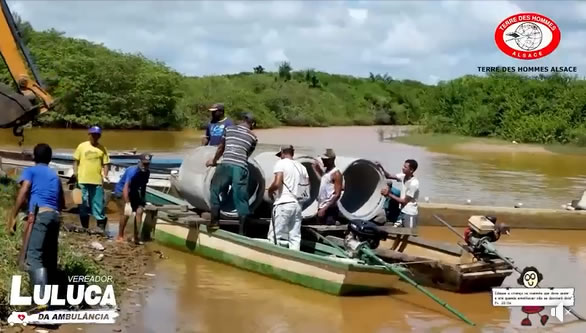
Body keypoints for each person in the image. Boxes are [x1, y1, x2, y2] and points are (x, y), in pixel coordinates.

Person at [7, 143, 65, 296]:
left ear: (34, 157)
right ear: (50, 158)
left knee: (34, 257)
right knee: (49, 258)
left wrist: (13, 216)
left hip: (40, 216)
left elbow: (24, 191)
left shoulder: (31, 171)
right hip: (55, 217)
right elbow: (62, 203)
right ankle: (54, 297)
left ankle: (41, 302)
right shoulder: (55, 175)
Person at [206, 112, 258, 234]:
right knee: (240, 196)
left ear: (242, 120)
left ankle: (214, 222)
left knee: (214, 189)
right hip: (240, 168)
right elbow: (247, 155)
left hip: (226, 165)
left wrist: (213, 161)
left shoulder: (229, 129)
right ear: (252, 124)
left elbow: (221, 147)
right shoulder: (253, 138)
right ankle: (242, 232)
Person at [267, 145, 309, 250]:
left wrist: (270, 191)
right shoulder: (302, 167)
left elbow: (277, 183)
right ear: (292, 153)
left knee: (274, 235)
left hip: (284, 203)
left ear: (282, 153)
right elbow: (307, 187)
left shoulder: (281, 163)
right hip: (297, 206)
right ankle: (295, 259)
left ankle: (272, 258)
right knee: (295, 237)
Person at [73, 125, 111, 231]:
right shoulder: (82, 146)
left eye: (97, 135)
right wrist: (75, 173)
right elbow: (75, 161)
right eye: (93, 134)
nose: (95, 137)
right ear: (89, 135)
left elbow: (106, 164)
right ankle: (84, 227)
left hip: (96, 181)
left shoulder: (102, 149)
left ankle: (100, 229)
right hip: (82, 180)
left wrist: (105, 175)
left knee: (98, 204)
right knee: (82, 203)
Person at [112, 153, 152, 244]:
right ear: (139, 162)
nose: (145, 166)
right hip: (121, 191)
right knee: (126, 213)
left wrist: (143, 199)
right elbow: (126, 187)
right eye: (144, 164)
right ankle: (120, 236)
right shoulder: (132, 171)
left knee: (139, 211)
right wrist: (127, 203)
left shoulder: (147, 173)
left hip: (133, 192)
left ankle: (136, 237)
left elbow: (143, 186)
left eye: (147, 164)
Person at [377, 159, 420, 228]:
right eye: (403, 166)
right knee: (401, 230)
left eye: (405, 167)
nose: (403, 168)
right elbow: (389, 176)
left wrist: (388, 194)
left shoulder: (414, 184)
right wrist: (381, 167)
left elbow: (404, 201)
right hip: (402, 210)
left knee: (410, 232)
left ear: (411, 170)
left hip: (409, 212)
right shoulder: (403, 176)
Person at [312, 148, 343, 225]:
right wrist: (316, 169)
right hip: (322, 207)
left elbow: (337, 194)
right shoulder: (327, 172)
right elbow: (324, 181)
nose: (323, 161)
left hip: (329, 209)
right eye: (323, 159)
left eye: (325, 159)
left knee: (327, 229)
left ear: (332, 160)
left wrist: (324, 209)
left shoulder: (336, 174)